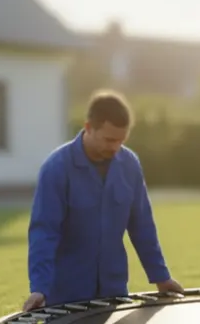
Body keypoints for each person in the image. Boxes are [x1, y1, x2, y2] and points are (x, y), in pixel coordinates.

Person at [23, 90, 183, 312]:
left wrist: (160, 276)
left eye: (121, 140)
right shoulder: (56, 168)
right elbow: (44, 231)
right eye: (109, 139)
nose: (115, 147)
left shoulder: (130, 165)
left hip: (114, 291)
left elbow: (142, 225)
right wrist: (39, 287)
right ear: (88, 127)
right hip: (67, 294)